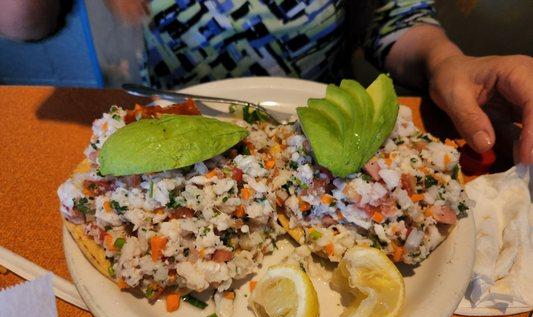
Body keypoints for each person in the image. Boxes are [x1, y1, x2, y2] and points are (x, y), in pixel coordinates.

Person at [4, 0, 532, 164]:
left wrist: (444, 60)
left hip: (321, 135)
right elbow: (24, 21)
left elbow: (391, 16)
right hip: (170, 129)